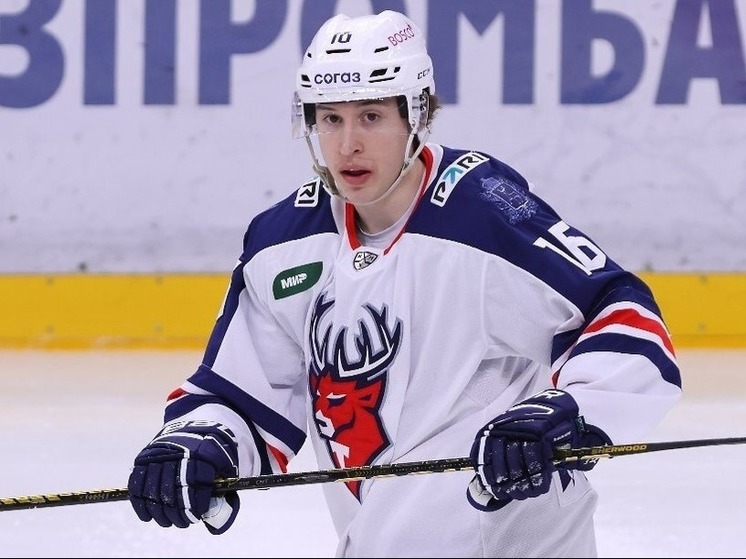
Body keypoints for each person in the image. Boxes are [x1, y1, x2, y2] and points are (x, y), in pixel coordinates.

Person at [126, 10, 682, 558]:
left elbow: (620, 311)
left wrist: (570, 412)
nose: (347, 145)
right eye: (330, 119)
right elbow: (244, 393)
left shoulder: (482, 215)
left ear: (416, 115)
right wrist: (200, 439)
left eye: (370, 116)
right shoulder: (283, 241)